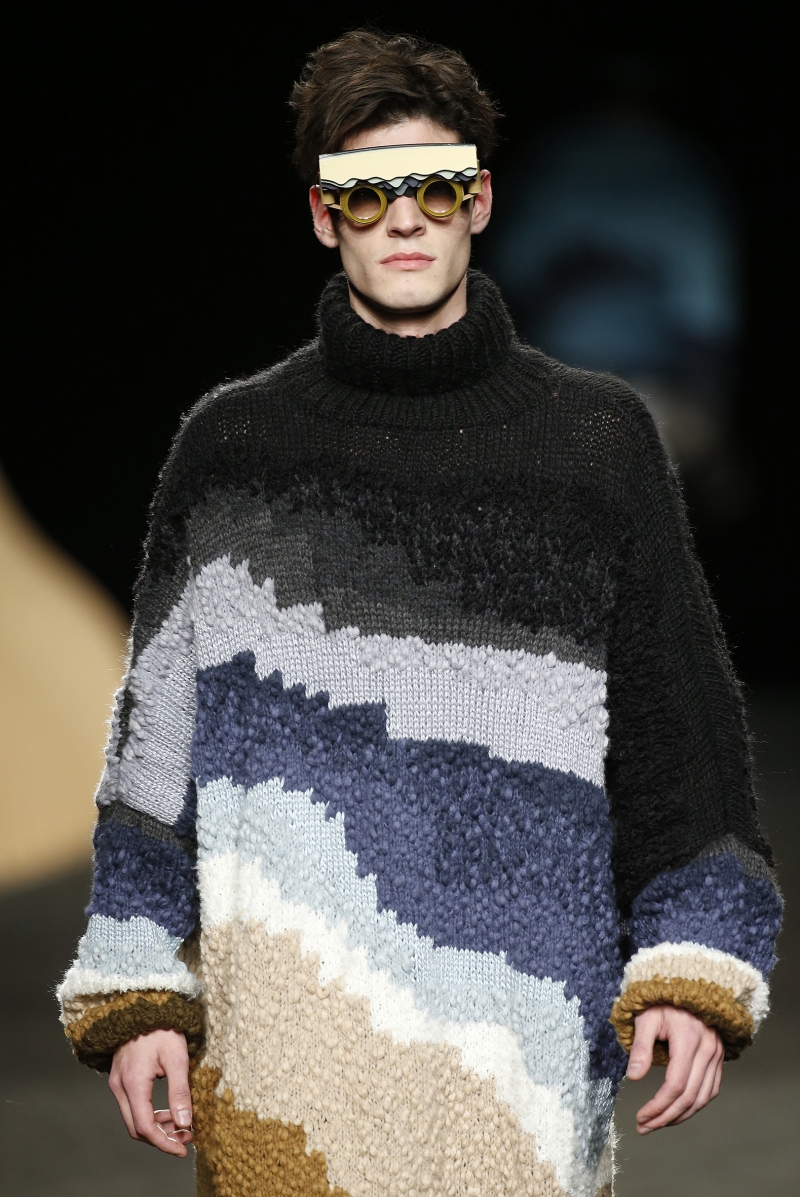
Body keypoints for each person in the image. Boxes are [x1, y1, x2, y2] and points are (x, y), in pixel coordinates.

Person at [58, 29, 781, 1197]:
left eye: (434, 187)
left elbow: (681, 744)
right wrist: (137, 985)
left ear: (478, 202)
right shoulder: (232, 451)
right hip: (281, 1084)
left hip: (519, 1081)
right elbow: (154, 756)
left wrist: (693, 959)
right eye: (366, 192)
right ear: (322, 216)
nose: (403, 218)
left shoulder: (591, 445)